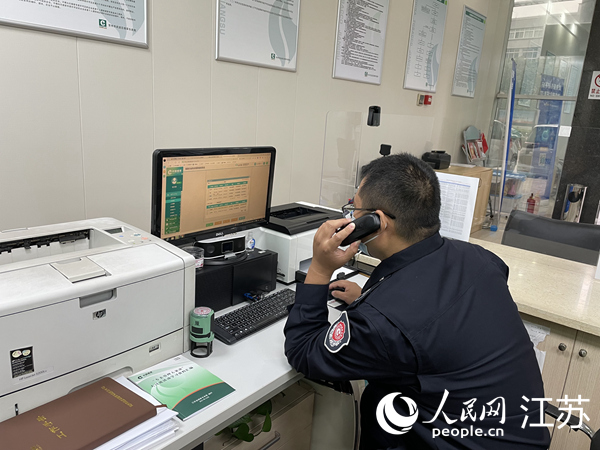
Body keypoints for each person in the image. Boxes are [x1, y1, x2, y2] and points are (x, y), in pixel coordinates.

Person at [284, 153, 550, 449]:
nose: (352, 218)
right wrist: (369, 300)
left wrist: (320, 269)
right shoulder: (481, 260)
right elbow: (435, 320)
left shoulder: (384, 324)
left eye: (355, 210)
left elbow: (303, 352)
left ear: (376, 223)